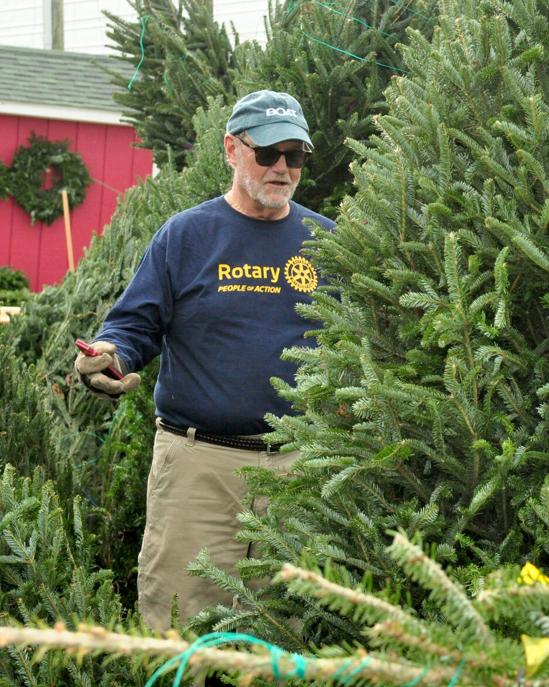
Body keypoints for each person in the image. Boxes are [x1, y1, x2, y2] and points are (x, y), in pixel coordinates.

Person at [74, 90, 335, 634]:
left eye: (296, 155)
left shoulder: (325, 242)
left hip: (301, 474)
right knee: (177, 630)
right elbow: (133, 326)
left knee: (286, 639)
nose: (282, 167)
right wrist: (108, 356)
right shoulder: (186, 236)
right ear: (231, 150)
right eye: (267, 153)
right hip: (199, 469)